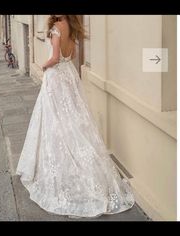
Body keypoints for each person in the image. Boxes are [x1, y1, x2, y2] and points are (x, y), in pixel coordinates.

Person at [16, 15, 135, 218]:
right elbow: (70, 56)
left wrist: (44, 66)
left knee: (56, 123)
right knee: (74, 120)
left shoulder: (56, 27)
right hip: (69, 75)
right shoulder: (72, 27)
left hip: (56, 78)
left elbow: (54, 58)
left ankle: (67, 170)